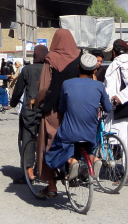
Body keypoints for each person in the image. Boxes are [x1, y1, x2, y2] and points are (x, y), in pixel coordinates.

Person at [45, 54, 111, 185]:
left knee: (51, 151)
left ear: (78, 67)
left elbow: (62, 108)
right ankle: (94, 159)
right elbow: (108, 108)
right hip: (90, 133)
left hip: (70, 133)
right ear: (94, 70)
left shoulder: (67, 84)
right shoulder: (99, 86)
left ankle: (71, 161)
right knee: (89, 148)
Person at [33, 29, 80, 197]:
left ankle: (51, 185)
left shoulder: (51, 59)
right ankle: (74, 173)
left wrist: (37, 102)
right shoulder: (80, 58)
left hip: (54, 109)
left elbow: (44, 87)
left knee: (47, 142)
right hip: (75, 108)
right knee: (74, 138)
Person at [103, 39, 128, 186]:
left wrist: (119, 97)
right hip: (125, 108)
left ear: (114, 52)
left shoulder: (121, 64)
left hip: (122, 108)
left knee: (125, 143)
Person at [10, 44, 47, 182]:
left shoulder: (27, 70)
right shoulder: (50, 69)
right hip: (46, 110)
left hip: (30, 111)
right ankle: (47, 171)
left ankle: (29, 172)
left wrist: (13, 103)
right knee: (46, 139)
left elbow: (18, 89)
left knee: (27, 138)